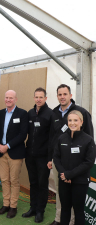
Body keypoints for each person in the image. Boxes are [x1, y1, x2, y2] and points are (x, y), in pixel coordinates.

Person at [48, 84, 94, 225]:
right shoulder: (55, 113)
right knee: (63, 201)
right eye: (60, 94)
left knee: (77, 207)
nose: (62, 97)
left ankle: (72, 222)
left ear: (70, 95)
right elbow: (53, 139)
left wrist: (70, 174)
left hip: (78, 173)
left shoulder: (81, 112)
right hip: (61, 168)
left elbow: (88, 156)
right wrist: (63, 172)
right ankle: (59, 219)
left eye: (65, 94)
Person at [53, 110, 95, 225]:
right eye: (70, 120)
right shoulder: (62, 138)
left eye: (75, 120)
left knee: (78, 211)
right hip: (64, 180)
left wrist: (69, 174)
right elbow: (56, 158)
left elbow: (89, 162)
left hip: (80, 182)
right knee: (65, 209)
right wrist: (63, 174)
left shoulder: (88, 140)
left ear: (81, 122)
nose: (72, 123)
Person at [22, 87, 53, 223]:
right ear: (34, 98)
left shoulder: (50, 114)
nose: (38, 99)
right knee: (33, 183)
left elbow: (52, 138)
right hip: (30, 156)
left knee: (42, 184)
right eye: (36, 97)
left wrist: (50, 158)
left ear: (45, 98)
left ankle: (40, 211)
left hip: (43, 157)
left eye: (41, 97)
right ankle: (33, 208)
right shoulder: (30, 113)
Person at [0, 90, 28, 218]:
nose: (8, 100)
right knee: (4, 180)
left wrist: (7, 146)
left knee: (14, 180)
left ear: (16, 99)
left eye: (11, 98)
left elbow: (23, 134)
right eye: (6, 97)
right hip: (0, 152)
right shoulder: (0, 114)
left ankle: (13, 206)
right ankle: (5, 204)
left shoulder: (22, 114)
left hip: (15, 152)